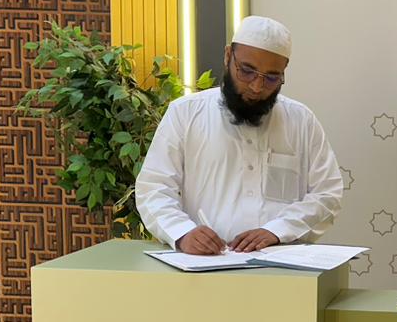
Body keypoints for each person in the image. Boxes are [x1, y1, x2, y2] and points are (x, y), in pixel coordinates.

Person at [136, 16, 344, 253]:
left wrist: (277, 231)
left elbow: (327, 194)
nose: (257, 86)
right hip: (207, 261)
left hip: (283, 263)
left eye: (271, 78)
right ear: (228, 56)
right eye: (247, 71)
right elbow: (153, 187)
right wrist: (182, 232)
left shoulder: (302, 121)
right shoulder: (185, 113)